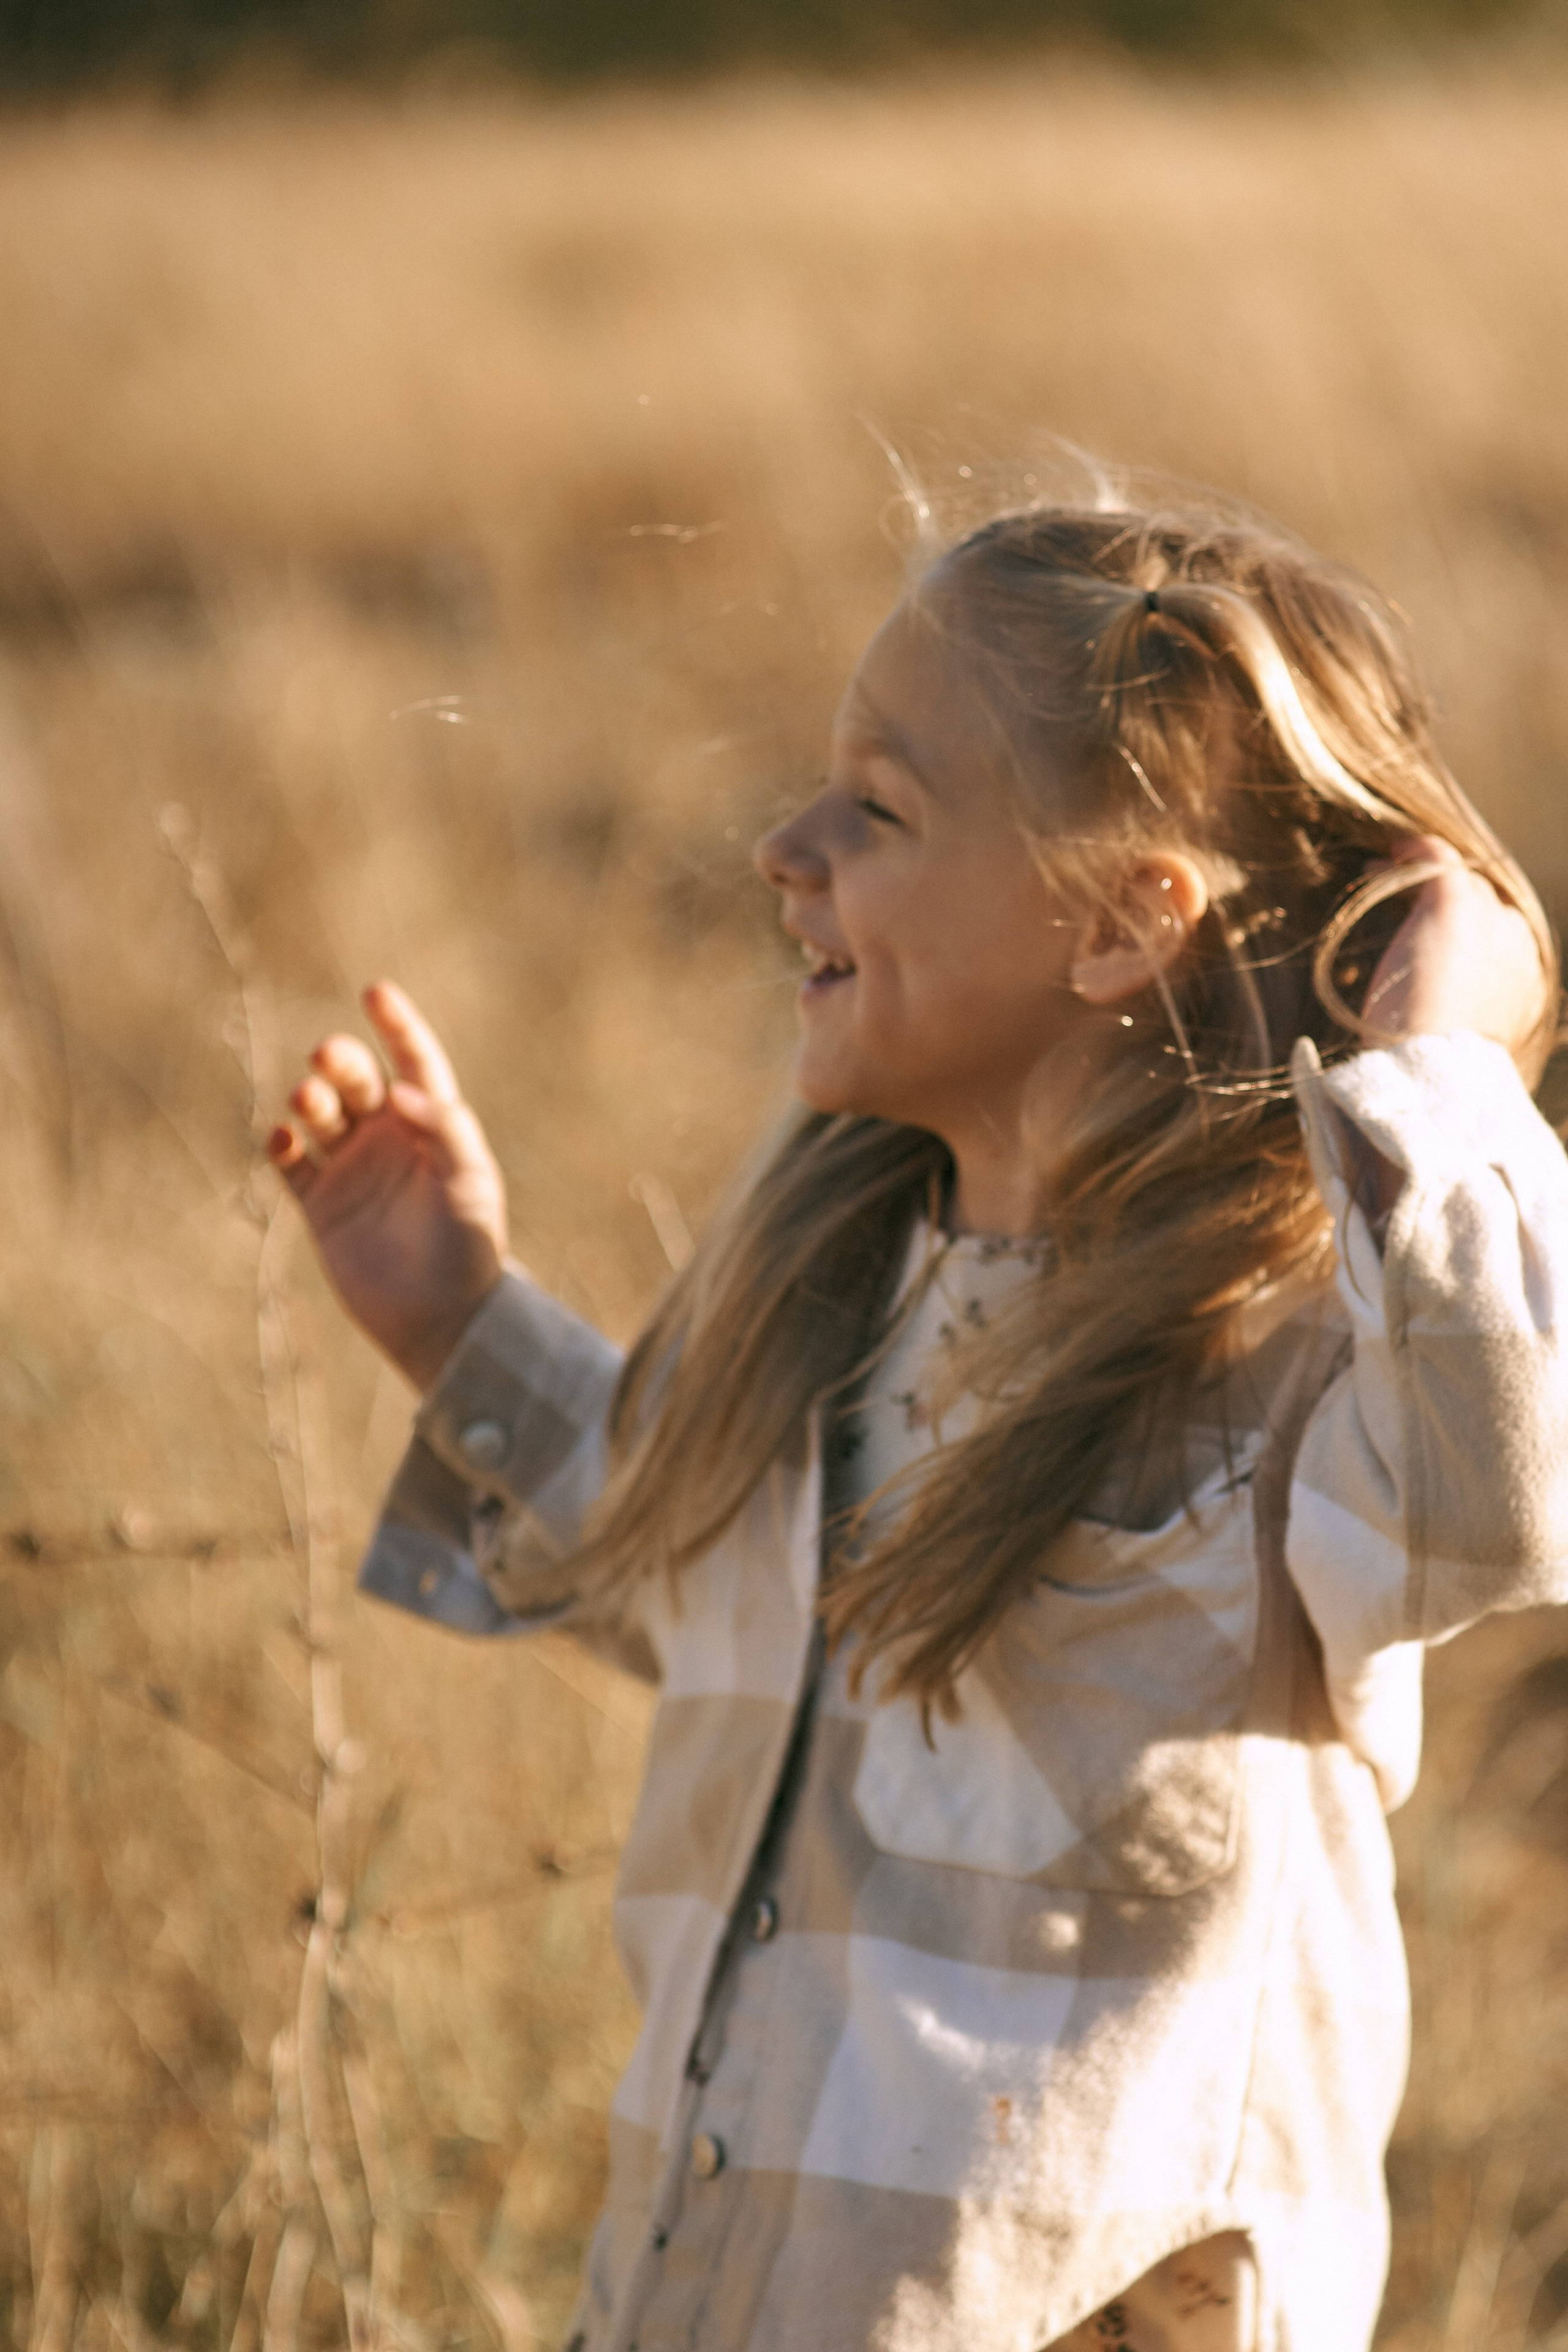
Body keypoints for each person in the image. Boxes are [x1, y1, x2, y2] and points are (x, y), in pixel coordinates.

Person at [270, 491, 1568, 2352]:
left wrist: (1438, 1054)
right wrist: (461, 1322)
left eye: (878, 809)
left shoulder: (1283, 1365)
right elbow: (692, 1575)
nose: (785, 848)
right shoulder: (854, 1299)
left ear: (1124, 923)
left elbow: (1513, 1488)